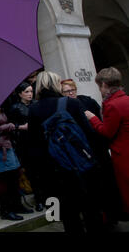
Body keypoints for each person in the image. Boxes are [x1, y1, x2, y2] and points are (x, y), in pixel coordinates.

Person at [27, 71, 104, 232]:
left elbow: (34, 146)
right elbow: (89, 134)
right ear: (56, 84)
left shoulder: (34, 110)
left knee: (69, 216)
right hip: (82, 167)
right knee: (91, 211)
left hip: (55, 170)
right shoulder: (72, 103)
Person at [62, 78, 123, 226]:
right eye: (67, 91)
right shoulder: (64, 106)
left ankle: (112, 215)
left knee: (107, 183)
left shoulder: (87, 101)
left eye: (73, 90)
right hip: (83, 152)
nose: (71, 93)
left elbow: (102, 120)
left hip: (98, 147)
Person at [85, 67, 129, 218]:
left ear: (104, 85)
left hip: (123, 155)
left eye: (99, 87)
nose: (100, 90)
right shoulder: (126, 99)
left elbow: (106, 132)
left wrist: (92, 118)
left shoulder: (112, 105)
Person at [0, 106, 28, 221]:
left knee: (14, 176)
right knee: (2, 179)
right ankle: (6, 210)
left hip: (7, 145)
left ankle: (17, 205)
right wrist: (11, 126)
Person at [7, 82, 43, 212]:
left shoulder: (36, 104)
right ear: (20, 93)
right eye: (27, 92)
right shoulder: (15, 108)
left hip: (40, 141)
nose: (30, 94)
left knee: (43, 172)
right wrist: (21, 127)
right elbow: (10, 127)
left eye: (31, 91)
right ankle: (39, 200)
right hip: (25, 144)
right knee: (32, 173)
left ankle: (47, 198)